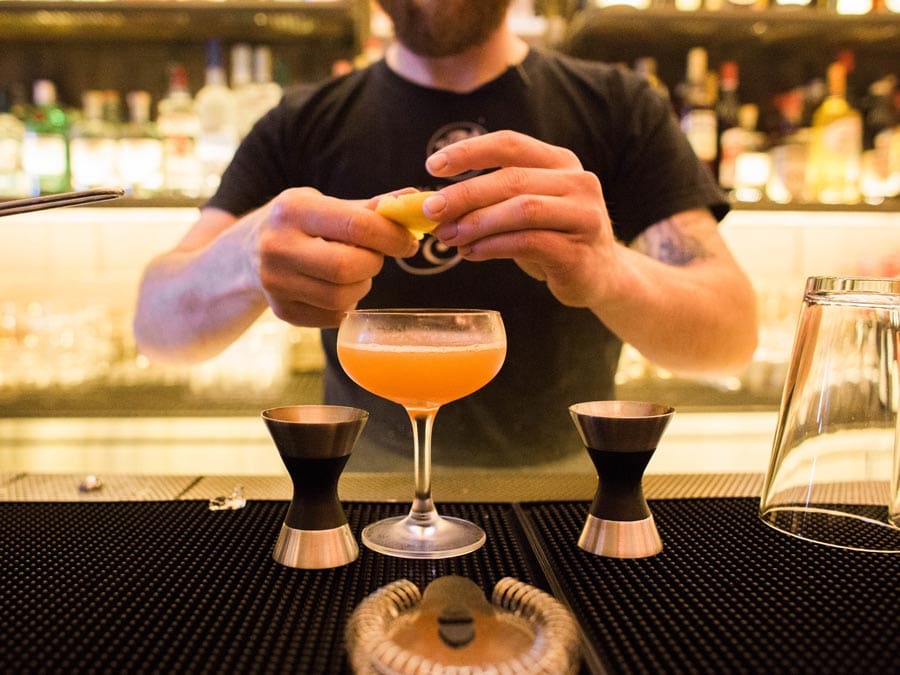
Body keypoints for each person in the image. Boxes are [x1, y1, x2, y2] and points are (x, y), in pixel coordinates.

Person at [133, 0, 758, 471]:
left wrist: (608, 269)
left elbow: (731, 337)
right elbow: (156, 332)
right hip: (361, 491)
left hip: (570, 489)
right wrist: (244, 260)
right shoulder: (301, 123)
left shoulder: (620, 107)